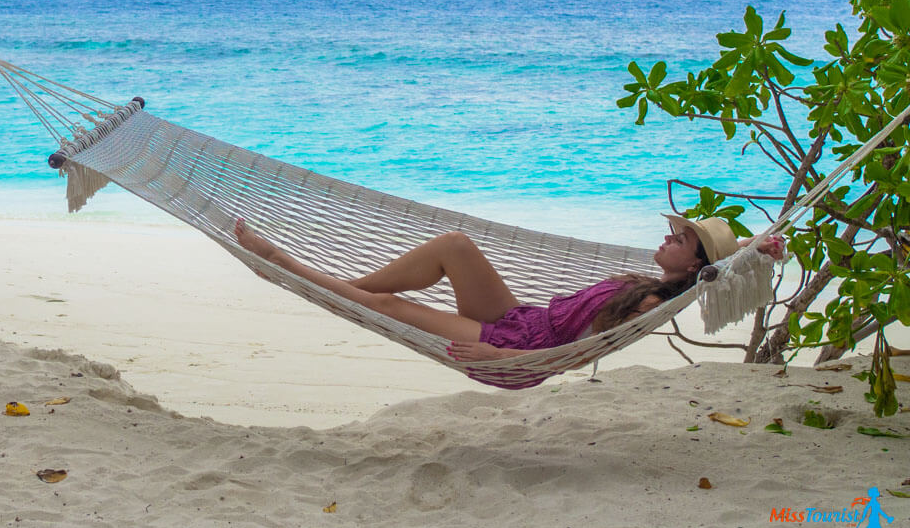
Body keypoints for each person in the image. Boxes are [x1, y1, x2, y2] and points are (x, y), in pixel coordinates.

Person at [233, 214, 785, 365]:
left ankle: (281, 263)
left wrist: (498, 355)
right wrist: (753, 249)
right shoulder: (646, 280)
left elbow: (576, 354)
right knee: (455, 244)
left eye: (679, 237)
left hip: (519, 352)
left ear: (693, 264)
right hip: (521, 319)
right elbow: (721, 269)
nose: (667, 237)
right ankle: (331, 285)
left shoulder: (646, 303)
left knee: (389, 307)